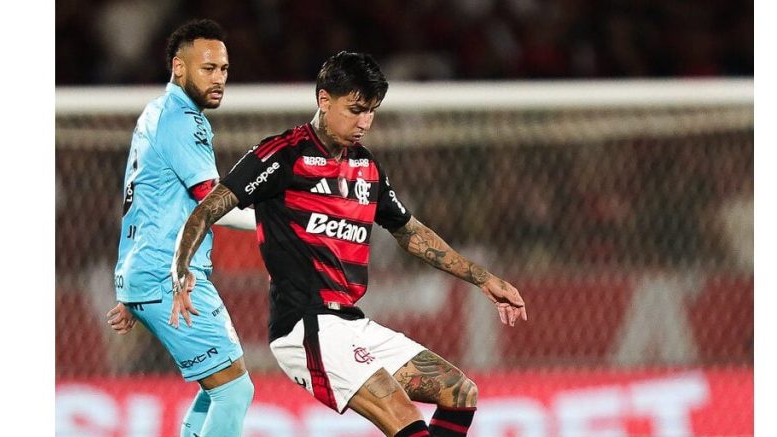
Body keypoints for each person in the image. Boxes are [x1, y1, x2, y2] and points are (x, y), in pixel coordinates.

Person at [171, 51, 529, 437]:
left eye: (371, 111)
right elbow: (207, 210)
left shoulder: (366, 166)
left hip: (352, 322)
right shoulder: (283, 155)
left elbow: (410, 232)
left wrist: (483, 278)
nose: (365, 123)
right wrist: (181, 269)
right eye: (356, 110)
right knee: (403, 415)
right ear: (324, 100)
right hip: (306, 324)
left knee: (460, 392)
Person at [105, 19, 257, 437]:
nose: (219, 78)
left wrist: (133, 289)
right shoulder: (183, 119)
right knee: (234, 392)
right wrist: (278, 223)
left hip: (151, 273)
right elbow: (212, 202)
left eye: (223, 69)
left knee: (219, 388)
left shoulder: (156, 112)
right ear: (179, 67)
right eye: (208, 68)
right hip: (168, 276)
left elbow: (146, 201)